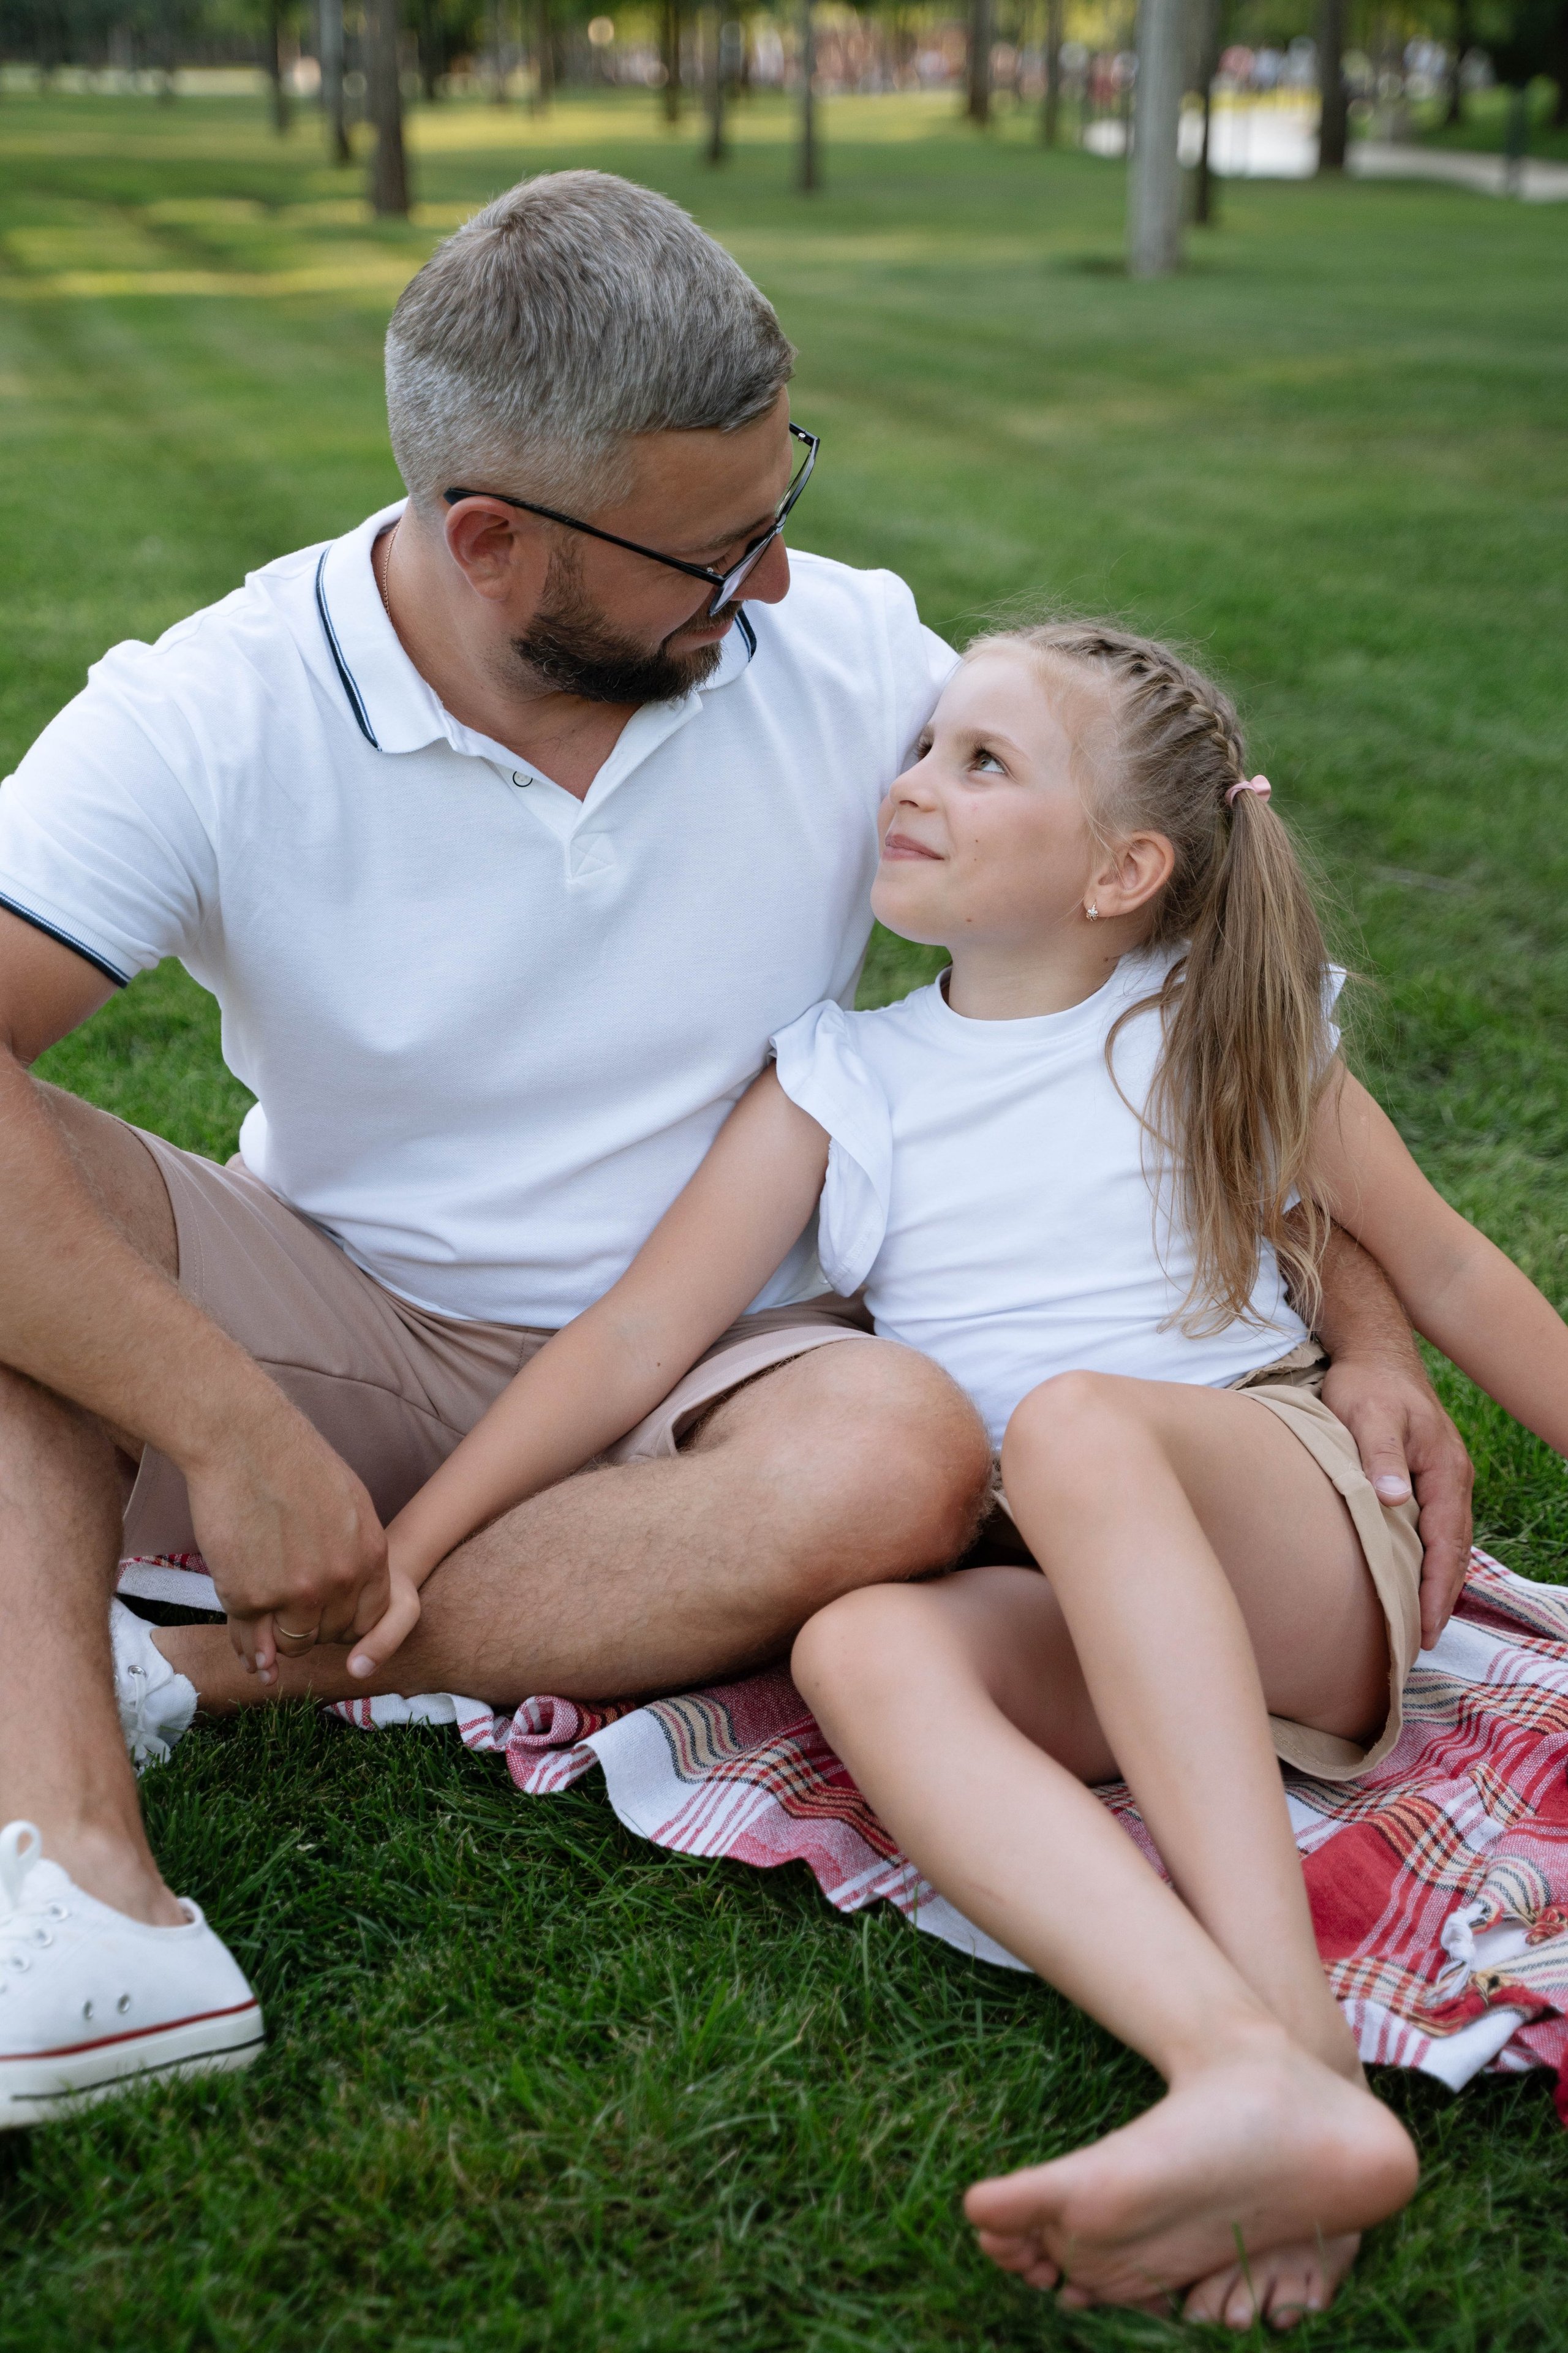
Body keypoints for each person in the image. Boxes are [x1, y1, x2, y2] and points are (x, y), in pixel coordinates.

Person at [0, 176, 1465, 2126]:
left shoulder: (852, 660)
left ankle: (203, 1673)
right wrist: (229, 1425)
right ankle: (86, 1882)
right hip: (343, 1314)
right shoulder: (209, 711)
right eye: (715, 548)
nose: (772, 582)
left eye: (783, 506)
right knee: (33, 1236)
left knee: (906, 1448)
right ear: (492, 541)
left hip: (737, 1366)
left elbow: (1196, 998)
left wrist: (1366, 1326)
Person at [168, 620, 1568, 2327]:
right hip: (1076, 1599)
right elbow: (636, 1335)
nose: (912, 783)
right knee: (860, 1648)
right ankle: (1227, 2067)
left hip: (1290, 1552)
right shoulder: (851, 1077)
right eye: (921, 746)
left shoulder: (1214, 1028)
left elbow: (1453, 1272)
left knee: (1075, 1422)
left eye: (984, 763)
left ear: (1123, 870)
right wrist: (421, 1541)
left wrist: (1380, 1361)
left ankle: (1304, 2045)